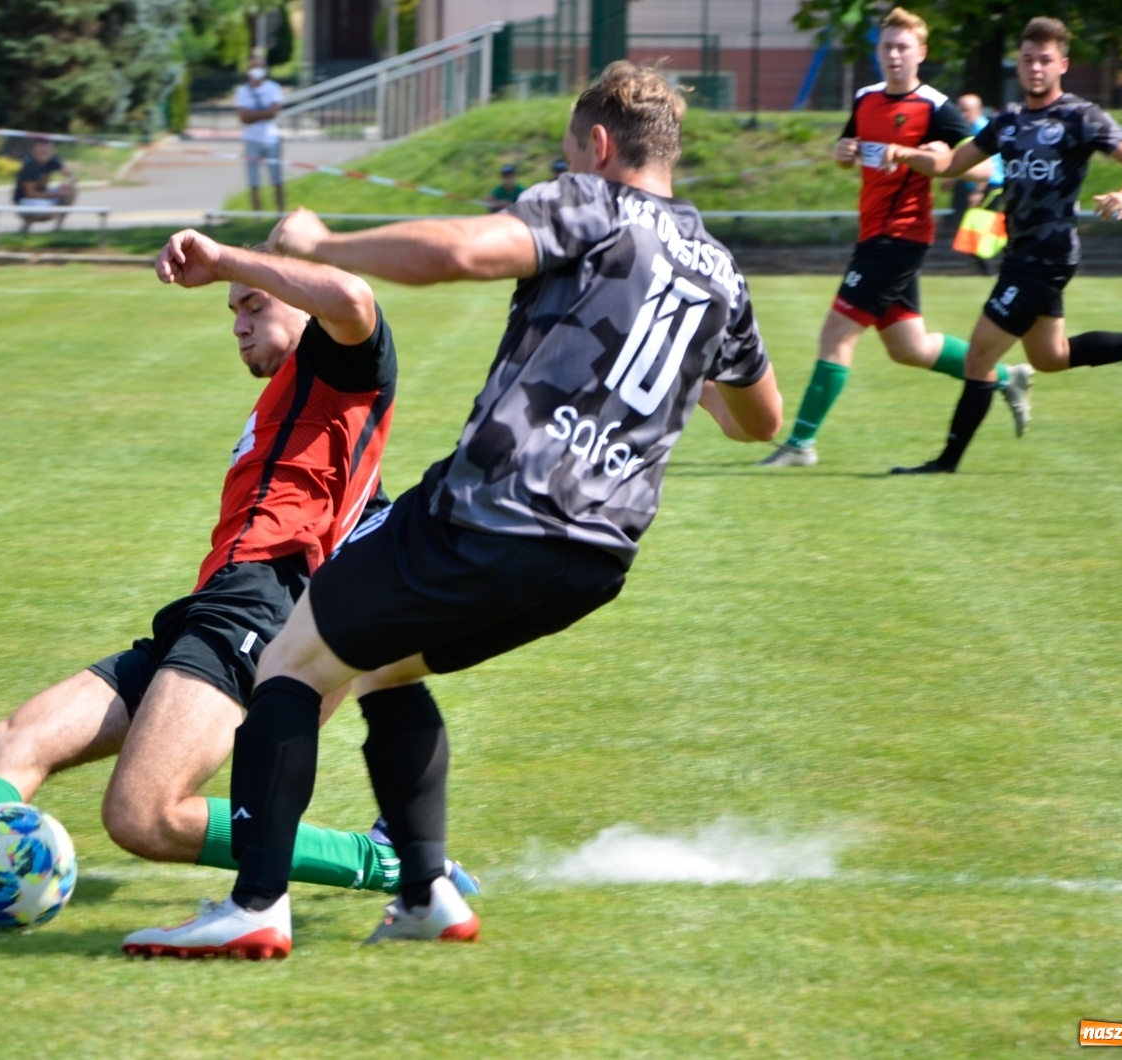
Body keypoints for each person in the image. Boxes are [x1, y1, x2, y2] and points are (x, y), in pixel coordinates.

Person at [120, 61, 782, 960]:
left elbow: (463, 253)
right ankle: (425, 891)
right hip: (598, 556)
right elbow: (757, 420)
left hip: (496, 508)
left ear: (596, 145)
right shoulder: (721, 274)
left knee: (289, 662)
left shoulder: (595, 204)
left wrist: (325, 243)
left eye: (568, 155)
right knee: (382, 670)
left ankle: (256, 905)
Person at [0, 237, 480, 928]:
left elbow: (350, 297)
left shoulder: (340, 369)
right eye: (232, 311)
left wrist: (228, 258)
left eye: (253, 304)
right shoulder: (300, 408)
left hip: (260, 606)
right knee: (17, 739)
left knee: (143, 815)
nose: (238, 323)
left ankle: (380, 862)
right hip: (215, 606)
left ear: (298, 301)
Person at [885, 16, 1122, 476]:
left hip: (1046, 258)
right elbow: (953, 164)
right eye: (1028, 59)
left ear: (1062, 65)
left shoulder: (1080, 116)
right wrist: (907, 154)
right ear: (1018, 64)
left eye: (1045, 60)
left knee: (979, 355)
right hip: (1020, 254)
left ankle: (946, 462)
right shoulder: (1009, 120)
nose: (1036, 67)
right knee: (1049, 357)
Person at [757, 8, 1030, 469]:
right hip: (873, 235)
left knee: (836, 334)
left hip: (900, 237)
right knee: (909, 347)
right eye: (887, 46)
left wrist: (924, 157)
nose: (894, 55)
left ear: (921, 53)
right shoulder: (865, 99)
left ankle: (801, 443)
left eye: (903, 47)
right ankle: (1007, 376)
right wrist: (841, 153)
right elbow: (848, 154)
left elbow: (984, 167)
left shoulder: (935, 107)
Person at [950, 92, 1005, 274]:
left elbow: (986, 163)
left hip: (991, 186)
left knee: (980, 226)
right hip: (986, 185)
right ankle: (987, 270)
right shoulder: (972, 128)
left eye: (966, 110)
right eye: (960, 110)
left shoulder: (982, 128)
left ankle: (990, 270)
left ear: (978, 110)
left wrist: (979, 191)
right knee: (978, 226)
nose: (962, 114)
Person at [236, 49, 286, 213]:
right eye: (253, 67)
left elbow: (273, 112)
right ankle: (257, 215)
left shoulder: (273, 88)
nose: (256, 70)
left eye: (259, 67)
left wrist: (254, 114)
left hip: (271, 138)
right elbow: (243, 117)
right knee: (254, 181)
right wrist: (263, 114)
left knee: (277, 178)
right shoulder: (242, 91)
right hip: (251, 138)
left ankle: (280, 213)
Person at [13, 140, 79, 232]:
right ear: (35, 152)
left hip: (43, 193)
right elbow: (30, 193)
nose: (44, 155)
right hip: (25, 200)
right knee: (50, 212)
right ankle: (26, 225)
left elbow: (72, 175)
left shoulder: (53, 159)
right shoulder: (29, 165)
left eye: (47, 152)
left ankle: (59, 228)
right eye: (41, 152)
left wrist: (66, 184)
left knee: (71, 190)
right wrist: (56, 195)